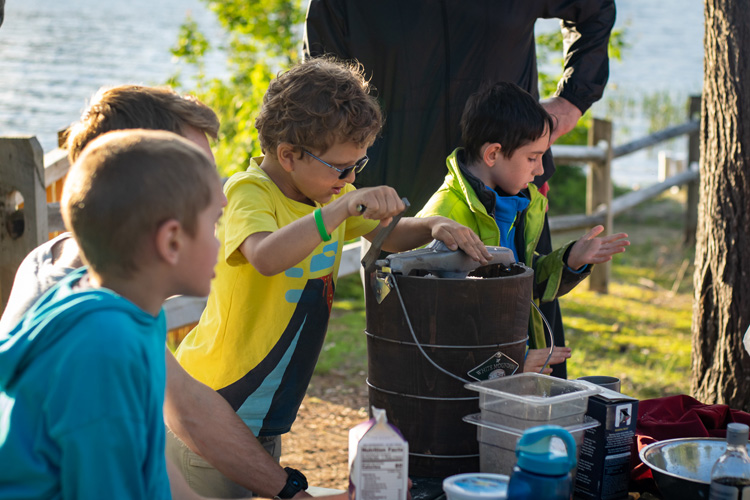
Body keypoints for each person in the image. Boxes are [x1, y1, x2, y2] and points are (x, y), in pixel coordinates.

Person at [0, 85, 346, 500]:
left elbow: (173, 438)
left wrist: (297, 496)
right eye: (198, 176)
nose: (222, 197)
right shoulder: (98, 346)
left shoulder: (118, 296)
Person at [171, 57, 492, 497]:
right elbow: (265, 254)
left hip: (266, 410)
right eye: (342, 168)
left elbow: (389, 233)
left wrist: (432, 225)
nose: (352, 178)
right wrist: (339, 208)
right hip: (217, 402)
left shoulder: (321, 194)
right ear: (288, 155)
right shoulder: (249, 191)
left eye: (359, 164)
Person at [303, 0, 617, 378]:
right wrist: (334, 174)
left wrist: (573, 99)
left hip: (508, 184)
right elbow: (318, 83)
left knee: (530, 355)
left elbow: (594, 8)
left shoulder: (524, 184)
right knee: (417, 370)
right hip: (397, 195)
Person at [0, 129, 226, 498]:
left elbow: (153, 475)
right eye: (214, 222)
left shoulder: (132, 315)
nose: (220, 240)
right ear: (171, 241)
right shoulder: (103, 349)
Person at [417, 82, 629, 372]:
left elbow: (520, 282)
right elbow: (436, 328)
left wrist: (571, 260)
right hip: (468, 388)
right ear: (493, 154)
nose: (540, 169)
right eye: (533, 157)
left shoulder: (521, 204)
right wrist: (512, 363)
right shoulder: (444, 218)